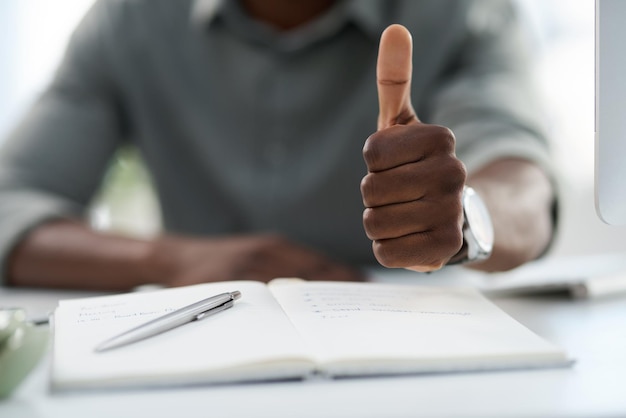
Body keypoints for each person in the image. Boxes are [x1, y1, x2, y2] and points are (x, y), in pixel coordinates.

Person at [0, 0, 557, 291]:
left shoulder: (460, 12)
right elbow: (10, 204)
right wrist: (171, 258)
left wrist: (465, 219)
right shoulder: (130, 20)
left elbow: (524, 185)